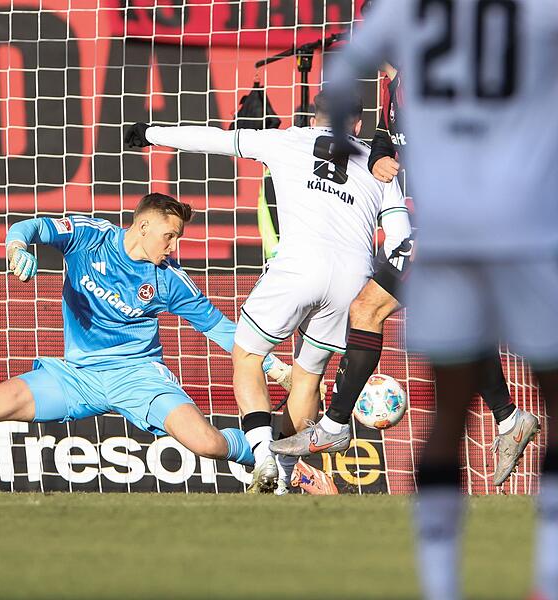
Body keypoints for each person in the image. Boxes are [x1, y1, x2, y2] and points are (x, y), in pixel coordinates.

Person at [323, 1, 558, 599]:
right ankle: (550, 577)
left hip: (452, 235)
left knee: (446, 416)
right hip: (531, 231)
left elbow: (343, 73)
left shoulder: (407, 14)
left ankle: (441, 586)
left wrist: (342, 145)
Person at [0, 193, 295, 491]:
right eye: (170, 234)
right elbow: (28, 228)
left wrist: (273, 368)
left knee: (207, 444)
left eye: (177, 237)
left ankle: (266, 452)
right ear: (141, 227)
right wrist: (15, 250)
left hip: (138, 377)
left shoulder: (169, 280)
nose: (174, 244)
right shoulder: (88, 237)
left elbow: (220, 328)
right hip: (77, 376)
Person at [125, 88, 412, 494]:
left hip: (299, 267)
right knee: (308, 377)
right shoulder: (381, 166)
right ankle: (287, 473)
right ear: (359, 125)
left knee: (247, 354)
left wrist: (151, 134)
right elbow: (398, 238)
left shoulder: (287, 139)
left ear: (315, 118)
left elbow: (215, 139)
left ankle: (263, 458)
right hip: (353, 278)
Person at [271, 60, 539, 489]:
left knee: (367, 308)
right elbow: (386, 133)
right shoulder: (395, 86)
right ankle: (510, 420)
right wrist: (379, 155)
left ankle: (336, 426)